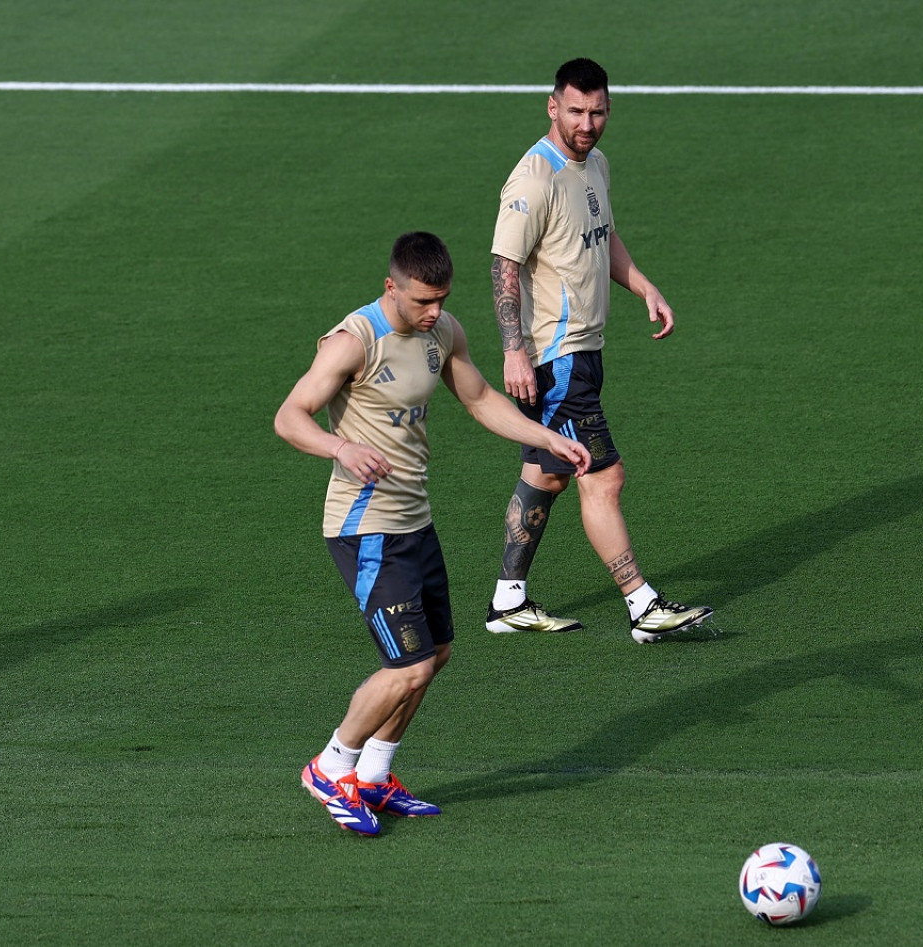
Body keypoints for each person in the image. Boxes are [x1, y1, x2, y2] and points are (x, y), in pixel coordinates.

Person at [275, 232, 590, 836]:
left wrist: (546, 437)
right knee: (410, 665)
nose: (434, 312)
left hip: (414, 520)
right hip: (364, 526)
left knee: (437, 654)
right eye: (422, 301)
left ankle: (374, 775)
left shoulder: (441, 333)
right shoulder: (354, 341)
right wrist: (341, 446)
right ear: (391, 286)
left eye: (442, 299)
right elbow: (290, 417)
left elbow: (477, 398)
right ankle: (329, 766)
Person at [484, 57, 713, 644]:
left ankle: (507, 601)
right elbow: (504, 265)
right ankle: (643, 606)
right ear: (552, 106)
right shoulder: (534, 178)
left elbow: (601, 235)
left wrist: (643, 285)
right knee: (602, 477)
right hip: (555, 356)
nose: (588, 123)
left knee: (548, 472)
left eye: (598, 111)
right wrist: (514, 350)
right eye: (577, 111)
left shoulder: (595, 166)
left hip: (585, 350)